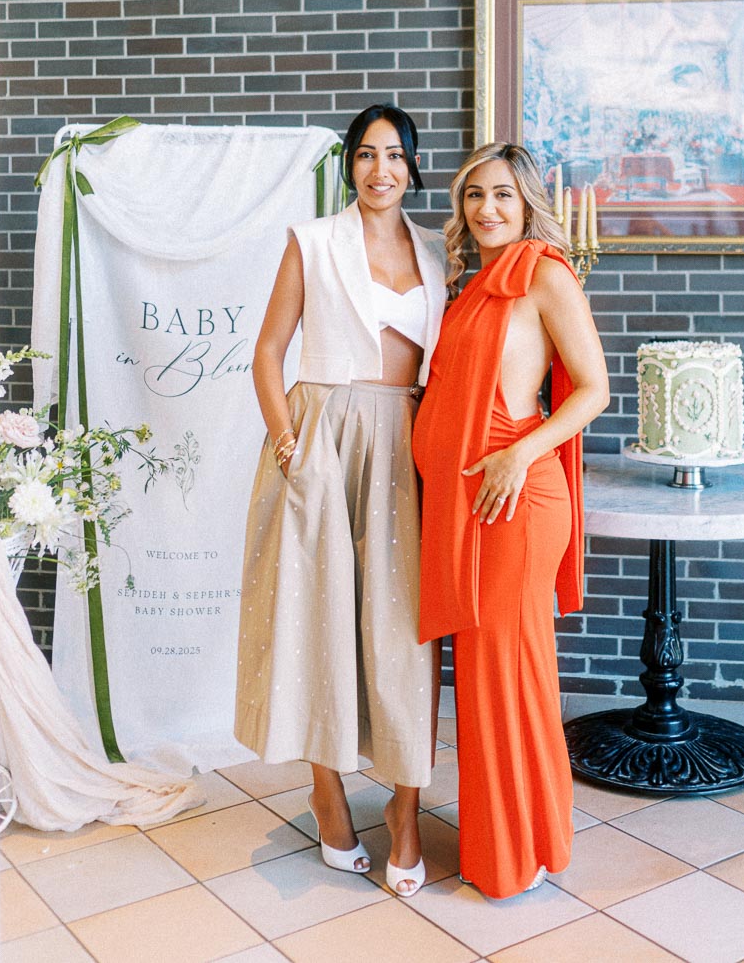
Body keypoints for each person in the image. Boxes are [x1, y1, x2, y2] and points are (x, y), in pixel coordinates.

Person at [235, 104, 447, 897]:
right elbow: (267, 349)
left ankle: (403, 808)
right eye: (366, 155)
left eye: (394, 155)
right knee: (320, 622)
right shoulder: (312, 241)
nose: (379, 169)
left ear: (413, 166)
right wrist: (289, 442)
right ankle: (326, 794)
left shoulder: (439, 252)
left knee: (403, 634)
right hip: (322, 436)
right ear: (350, 166)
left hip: (409, 443)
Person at [414, 142, 609, 899]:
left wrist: (518, 455)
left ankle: (520, 851)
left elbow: (591, 389)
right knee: (489, 678)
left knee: (509, 675)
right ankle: (506, 841)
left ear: (527, 202)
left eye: (501, 195)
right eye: (473, 197)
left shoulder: (546, 274)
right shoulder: (472, 285)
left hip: (515, 500)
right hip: (472, 501)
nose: (486, 209)